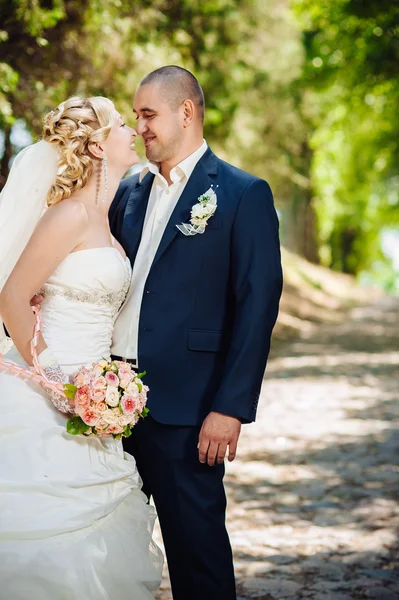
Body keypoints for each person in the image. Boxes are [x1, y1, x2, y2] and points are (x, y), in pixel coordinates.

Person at [110, 66, 283, 600]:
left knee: (197, 555)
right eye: (136, 116)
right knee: (110, 544)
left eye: (148, 114)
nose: (139, 127)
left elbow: (257, 307)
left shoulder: (240, 194)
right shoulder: (128, 193)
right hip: (108, 404)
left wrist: (230, 408)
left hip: (188, 409)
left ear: (186, 112)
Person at [0, 96, 163, 599]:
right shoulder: (69, 215)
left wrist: (101, 387)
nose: (131, 131)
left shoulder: (104, 219)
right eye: (120, 125)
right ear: (96, 144)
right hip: (47, 390)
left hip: (93, 395)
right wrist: (55, 381)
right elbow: (10, 298)